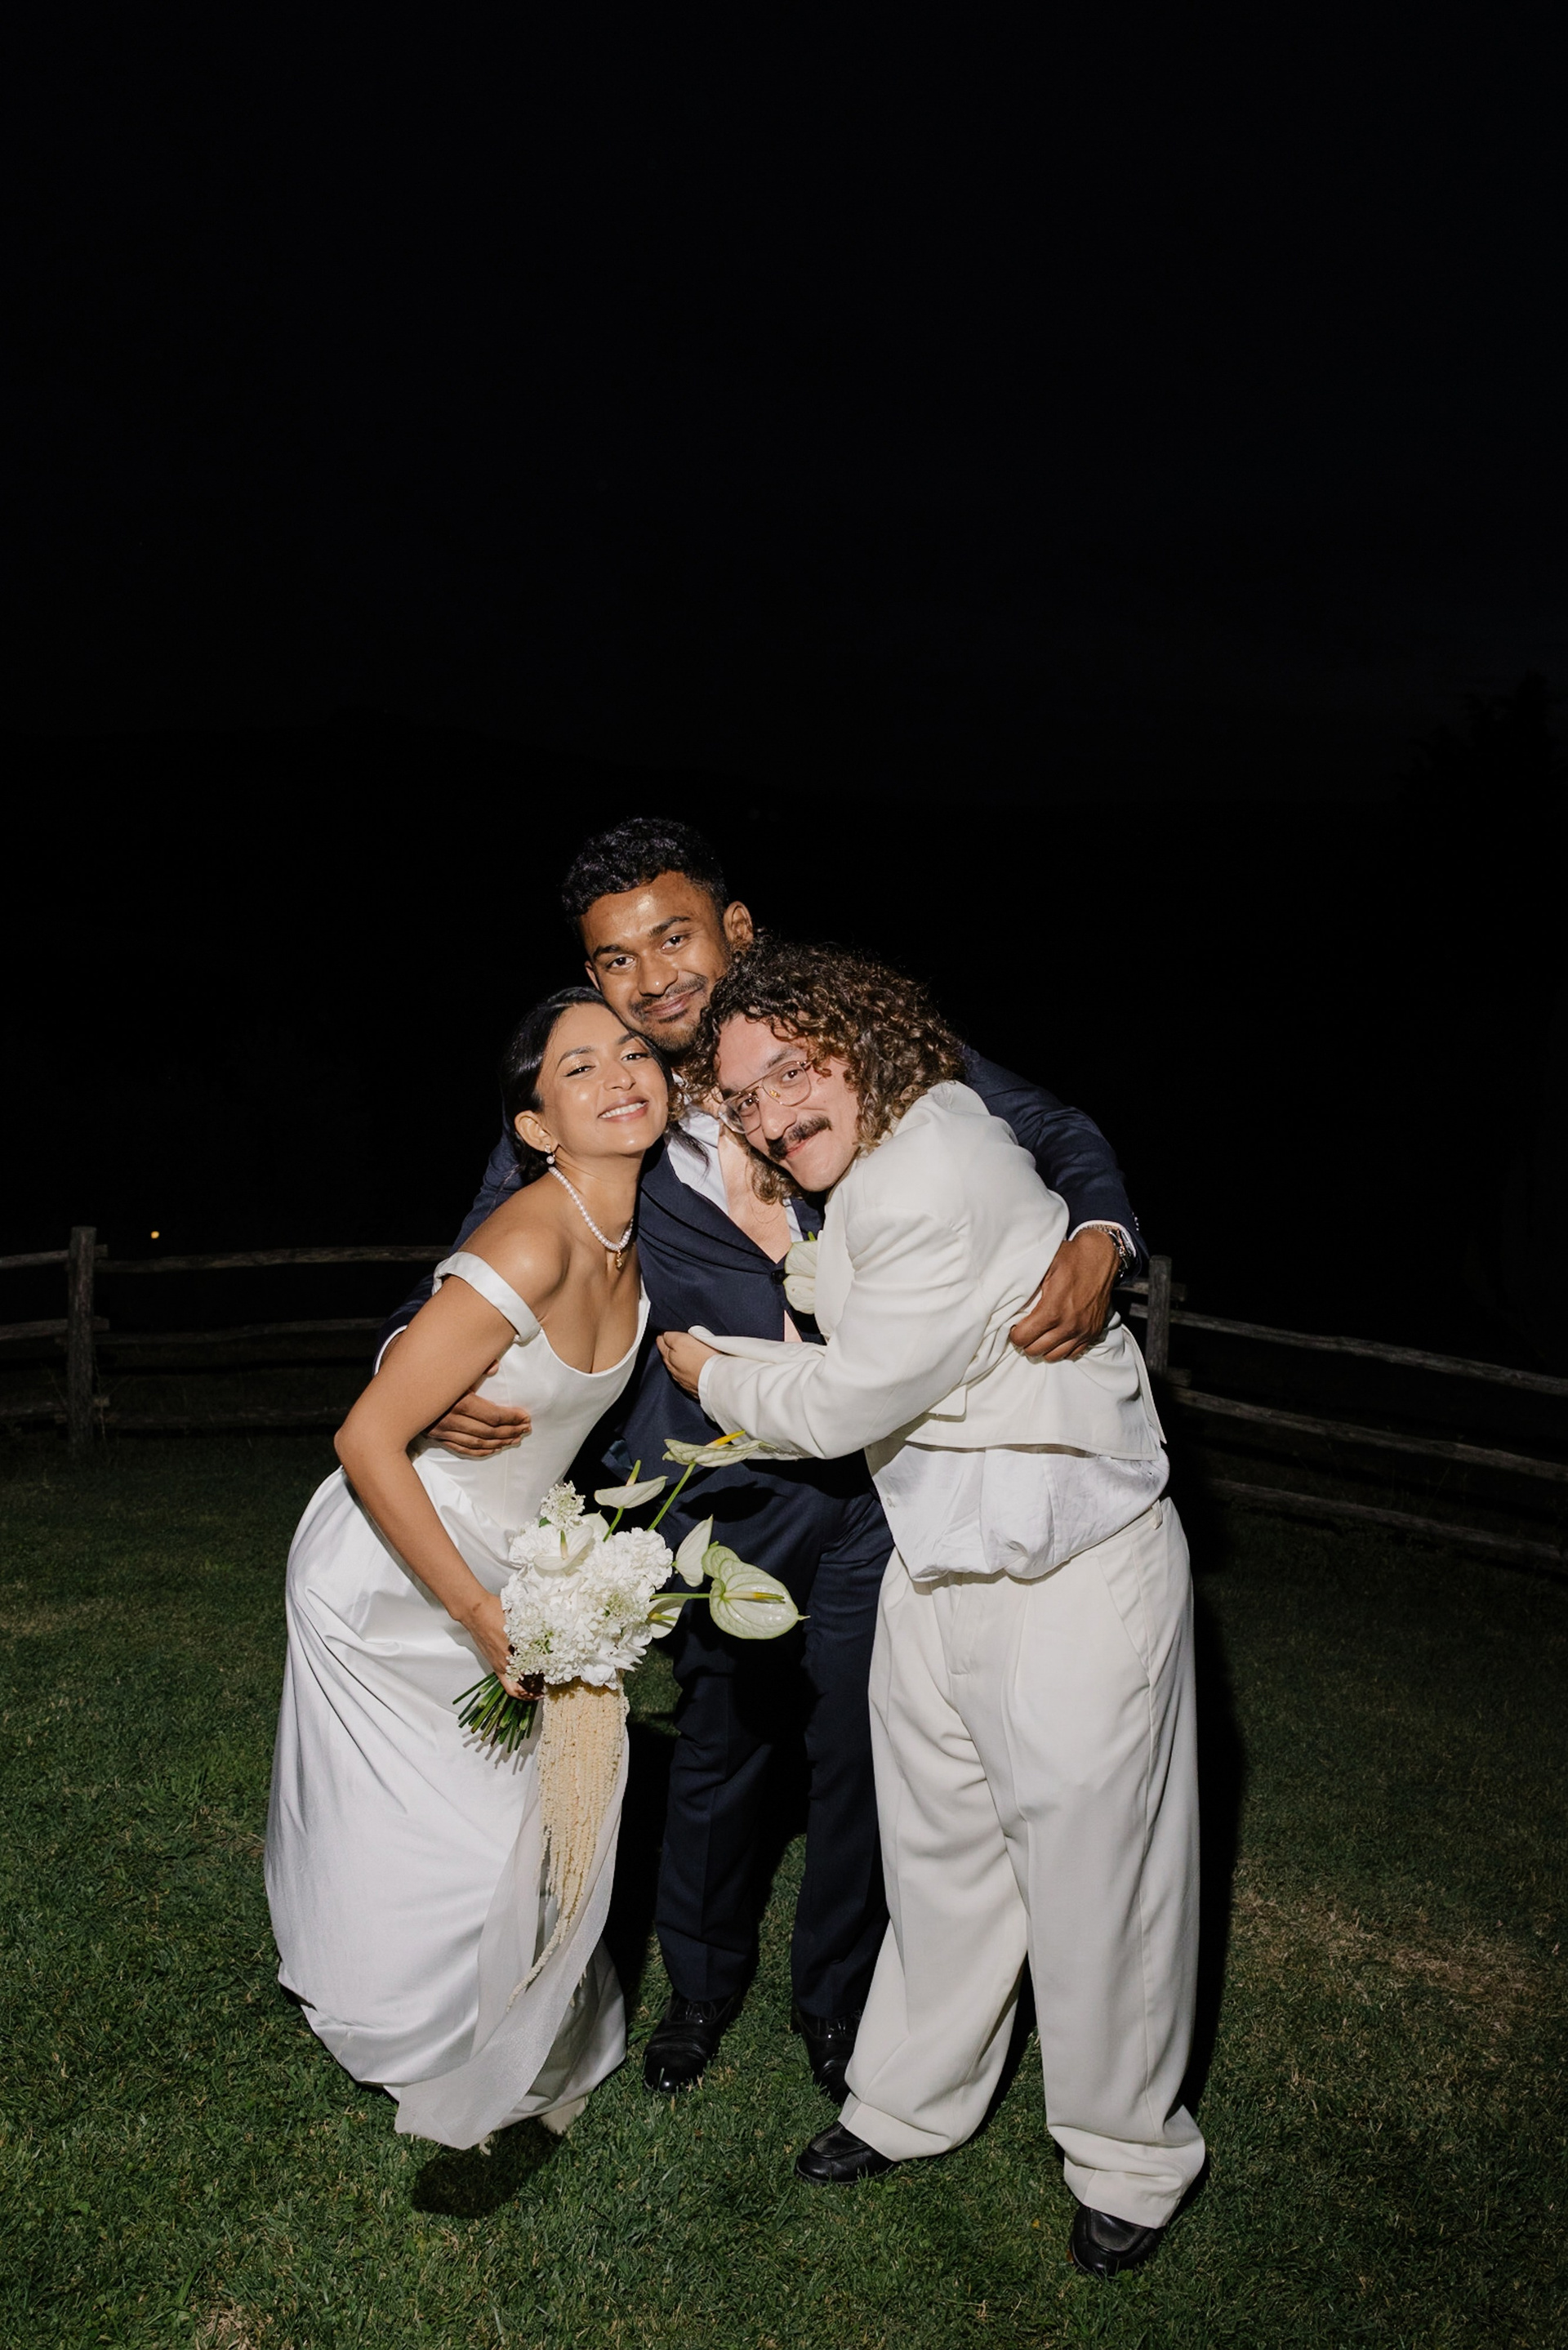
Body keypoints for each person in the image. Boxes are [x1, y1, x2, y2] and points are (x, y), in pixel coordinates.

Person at [377, 817, 1146, 2103]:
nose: (650, 977)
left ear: (735, 928)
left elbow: (1054, 1128)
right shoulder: (606, 1100)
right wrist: (418, 1360)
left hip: (895, 1471)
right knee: (723, 1746)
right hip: (722, 1486)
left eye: (673, 936)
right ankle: (699, 1988)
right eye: (615, 959)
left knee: (867, 1749)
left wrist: (1101, 1236)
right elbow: (473, 1244)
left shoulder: (841, 1038)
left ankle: (835, 2002)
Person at [658, 939, 1201, 2283]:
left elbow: (846, 1400)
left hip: (1068, 1551)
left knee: (1096, 1868)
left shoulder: (932, 1165)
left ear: (860, 1040)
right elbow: (870, 1320)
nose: (774, 1113)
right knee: (943, 1849)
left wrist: (709, 1369)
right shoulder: (879, 1154)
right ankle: (907, 2101)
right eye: (747, 1098)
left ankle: (1126, 2156)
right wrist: (783, 1280)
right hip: (941, 1547)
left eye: (794, 1070)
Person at [266, 989, 668, 2150]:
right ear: (536, 1126)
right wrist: (479, 1609)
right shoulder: (531, 1240)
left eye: (630, 1052)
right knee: (426, 1824)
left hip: (515, 1559)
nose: (619, 1075)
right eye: (578, 1068)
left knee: (503, 1819)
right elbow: (366, 1437)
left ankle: (495, 2019)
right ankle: (415, 2034)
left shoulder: (641, 1236)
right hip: (395, 1570)